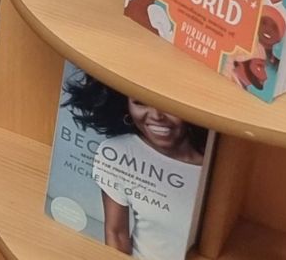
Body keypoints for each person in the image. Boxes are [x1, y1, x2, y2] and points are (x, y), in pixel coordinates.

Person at [61, 71, 210, 259]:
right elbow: (116, 234)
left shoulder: (217, 167)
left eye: (169, 104)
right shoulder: (117, 153)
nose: (156, 115)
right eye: (140, 102)